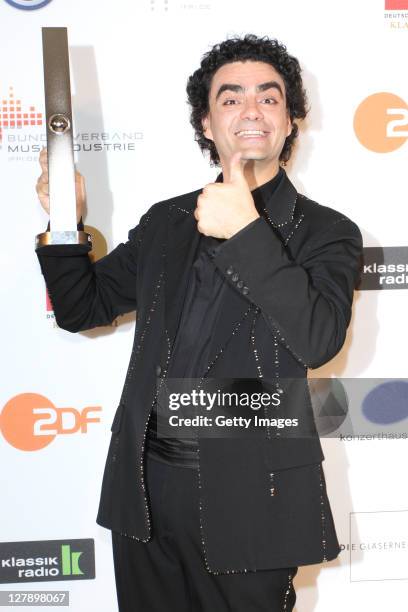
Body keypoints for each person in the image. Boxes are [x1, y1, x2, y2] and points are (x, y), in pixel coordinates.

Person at [36, 34, 362, 612]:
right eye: (231, 98)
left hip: (252, 495)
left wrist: (247, 232)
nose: (251, 110)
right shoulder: (168, 220)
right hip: (146, 486)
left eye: (269, 97)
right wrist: (66, 221)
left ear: (291, 121)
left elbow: (318, 341)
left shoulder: (327, 232)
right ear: (207, 124)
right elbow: (81, 308)